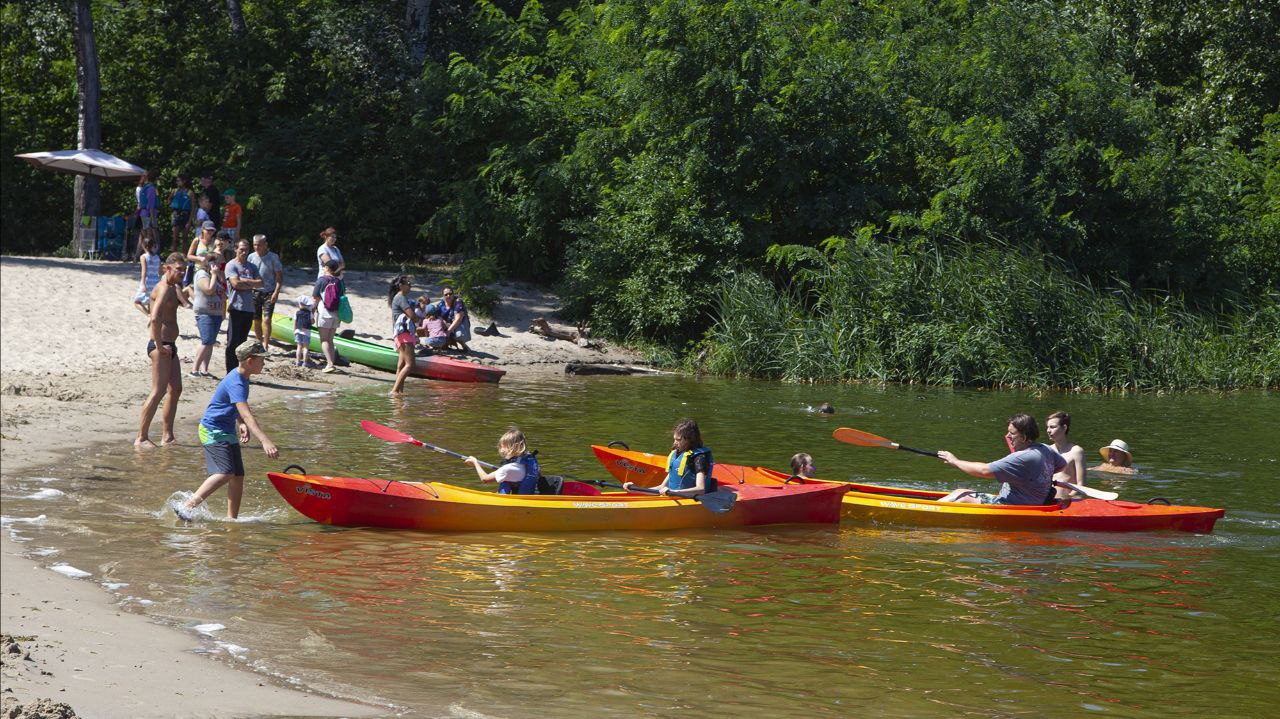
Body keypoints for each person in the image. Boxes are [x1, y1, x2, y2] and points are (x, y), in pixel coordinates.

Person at [175, 340, 279, 520]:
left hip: (226, 429)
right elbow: (247, 414)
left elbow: (235, 407)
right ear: (250, 360)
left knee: (238, 475)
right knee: (225, 472)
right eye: (261, 359)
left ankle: (232, 519)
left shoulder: (242, 376)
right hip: (212, 430)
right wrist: (264, 440)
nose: (264, 363)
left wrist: (240, 423)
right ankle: (187, 506)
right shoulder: (237, 381)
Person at [936, 413, 1066, 504]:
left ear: (1024, 437)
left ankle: (929, 513)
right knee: (961, 491)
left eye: (1012, 433)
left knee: (964, 499)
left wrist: (955, 461)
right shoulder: (1045, 448)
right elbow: (1062, 465)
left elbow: (984, 471)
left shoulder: (1023, 458)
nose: (1008, 436)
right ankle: (933, 507)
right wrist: (1040, 477)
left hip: (1015, 505)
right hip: (1034, 500)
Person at [135, 253, 187, 449]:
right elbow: (155, 318)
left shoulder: (174, 287)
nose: (182, 272)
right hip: (160, 346)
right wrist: (158, 346)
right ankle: (141, 438)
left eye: (183, 269)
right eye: (178, 269)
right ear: (167, 269)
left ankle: (167, 436)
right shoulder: (164, 288)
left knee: (176, 389)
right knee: (157, 391)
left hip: (169, 345)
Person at [624, 419, 716, 497]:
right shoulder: (678, 455)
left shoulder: (699, 458)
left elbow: (701, 489)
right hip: (673, 497)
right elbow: (661, 487)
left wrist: (674, 492)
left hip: (691, 501)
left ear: (689, 439)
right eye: (674, 439)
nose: (675, 443)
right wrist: (635, 490)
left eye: (678, 440)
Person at [223, 238, 262, 373]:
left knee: (243, 342)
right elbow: (235, 284)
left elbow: (260, 283)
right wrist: (250, 283)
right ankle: (230, 372)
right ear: (236, 250)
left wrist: (243, 281)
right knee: (232, 342)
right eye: (241, 249)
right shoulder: (231, 265)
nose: (244, 252)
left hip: (249, 308)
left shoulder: (252, 267)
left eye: (246, 249)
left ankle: (241, 370)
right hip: (236, 308)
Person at [462, 427, 541, 495]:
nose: (501, 449)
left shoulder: (508, 469)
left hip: (518, 502)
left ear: (512, 447)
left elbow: (484, 479)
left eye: (503, 446)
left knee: (504, 482)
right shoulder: (530, 461)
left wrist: (475, 462)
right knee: (506, 481)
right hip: (529, 496)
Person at [191, 253, 227, 377]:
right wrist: (214, 274)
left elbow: (222, 294)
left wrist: (223, 311)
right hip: (204, 313)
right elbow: (209, 290)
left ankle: (204, 370)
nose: (218, 266)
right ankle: (194, 369)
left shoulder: (214, 276)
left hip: (216, 313)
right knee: (206, 341)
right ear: (209, 263)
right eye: (216, 263)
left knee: (211, 342)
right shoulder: (202, 275)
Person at [247, 234, 283, 350]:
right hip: (254, 292)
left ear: (265, 244)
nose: (256, 247)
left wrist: (276, 292)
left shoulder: (273, 257)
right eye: (255, 245)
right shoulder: (251, 257)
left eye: (259, 245)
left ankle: (266, 344)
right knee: (256, 320)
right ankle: (259, 342)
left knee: (267, 319)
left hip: (269, 291)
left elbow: (279, 276)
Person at [310, 259, 344, 373]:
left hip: (324, 313)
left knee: (324, 340)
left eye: (324, 267)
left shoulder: (322, 280)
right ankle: (331, 362)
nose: (323, 269)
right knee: (330, 339)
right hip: (336, 314)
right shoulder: (339, 281)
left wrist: (311, 312)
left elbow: (315, 298)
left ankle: (329, 364)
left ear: (328, 269)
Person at [1044, 411, 1087, 498]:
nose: (1048, 430)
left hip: (1069, 503)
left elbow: (1081, 484)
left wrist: (1069, 497)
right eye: (1048, 427)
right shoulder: (1047, 450)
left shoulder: (1076, 451)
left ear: (1064, 428)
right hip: (1048, 501)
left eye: (1052, 427)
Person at [388, 275, 419, 395]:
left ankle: (399, 391)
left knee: (401, 366)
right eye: (408, 283)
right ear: (401, 285)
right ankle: (395, 391)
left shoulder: (397, 297)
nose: (410, 285)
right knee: (410, 365)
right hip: (404, 334)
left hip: (399, 335)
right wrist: (418, 319)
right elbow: (412, 316)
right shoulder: (401, 298)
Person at [132, 233, 162, 316]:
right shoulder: (157, 257)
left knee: (137, 301)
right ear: (153, 246)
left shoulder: (143, 257)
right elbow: (160, 272)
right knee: (151, 301)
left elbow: (144, 271)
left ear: (143, 246)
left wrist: (143, 283)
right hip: (156, 281)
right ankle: (151, 316)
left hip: (148, 280)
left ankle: (148, 314)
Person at [133, 169, 159, 259]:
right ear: (155, 179)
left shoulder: (144, 187)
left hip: (142, 213)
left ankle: (137, 255)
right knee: (149, 235)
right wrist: (153, 218)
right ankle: (149, 254)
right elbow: (151, 205)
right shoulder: (151, 188)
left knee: (143, 235)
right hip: (148, 214)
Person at [436, 287, 471, 352]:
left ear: (453, 294)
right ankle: (444, 345)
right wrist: (442, 322)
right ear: (443, 296)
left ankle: (462, 344)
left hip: (460, 323)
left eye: (450, 293)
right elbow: (437, 315)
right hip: (447, 323)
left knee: (458, 335)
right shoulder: (441, 304)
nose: (448, 296)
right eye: (446, 294)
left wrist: (448, 331)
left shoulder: (458, 302)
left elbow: (458, 319)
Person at [168, 173, 192, 253]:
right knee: (175, 238)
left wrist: (190, 220)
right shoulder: (174, 191)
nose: (177, 182)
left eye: (178, 181)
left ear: (184, 181)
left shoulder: (189, 192)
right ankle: (173, 257)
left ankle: (184, 257)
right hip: (176, 215)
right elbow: (169, 201)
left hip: (186, 215)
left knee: (185, 238)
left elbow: (193, 207)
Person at [293, 296, 315, 367]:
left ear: (300, 304)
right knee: (306, 348)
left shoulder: (297, 313)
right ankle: (305, 363)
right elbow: (312, 322)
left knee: (299, 347)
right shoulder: (310, 313)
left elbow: (295, 323)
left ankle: (298, 361)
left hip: (298, 331)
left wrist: (294, 331)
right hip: (307, 333)